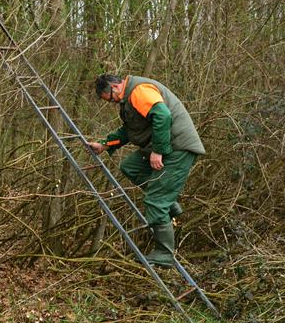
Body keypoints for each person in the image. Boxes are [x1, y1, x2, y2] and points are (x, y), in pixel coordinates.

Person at [88, 74, 206, 267]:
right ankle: (169, 202)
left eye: (109, 98)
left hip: (177, 148)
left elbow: (163, 115)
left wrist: (158, 151)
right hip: (165, 145)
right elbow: (130, 130)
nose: (111, 102)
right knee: (130, 167)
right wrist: (105, 144)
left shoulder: (139, 91)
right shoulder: (129, 100)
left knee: (156, 202)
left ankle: (165, 254)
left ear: (115, 87)